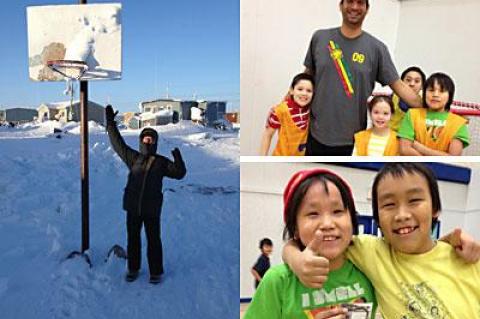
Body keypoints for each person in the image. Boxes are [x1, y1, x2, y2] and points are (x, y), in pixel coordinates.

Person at [283, 163, 480, 318]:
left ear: (435, 208)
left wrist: (455, 238)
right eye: (389, 204)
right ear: (377, 219)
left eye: (414, 201)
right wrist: (296, 259)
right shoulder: (372, 251)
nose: (402, 215)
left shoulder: (469, 260)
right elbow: (323, 240)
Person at [244, 169, 377, 319]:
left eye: (337, 211)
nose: (327, 224)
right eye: (313, 214)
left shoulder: (368, 269)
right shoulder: (278, 281)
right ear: (295, 228)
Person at [303, 0, 422, 156]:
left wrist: (434, 108)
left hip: (353, 141)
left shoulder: (376, 49)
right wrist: (284, 104)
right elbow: (305, 78)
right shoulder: (320, 38)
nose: (354, 7)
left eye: (360, 3)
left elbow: (399, 86)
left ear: (367, 9)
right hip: (314, 134)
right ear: (341, 5)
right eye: (350, 2)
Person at [105, 104, 186, 284]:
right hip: (133, 207)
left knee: (153, 241)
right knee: (133, 240)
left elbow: (179, 174)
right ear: (141, 141)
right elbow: (118, 143)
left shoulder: (161, 163)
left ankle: (155, 272)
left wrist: (178, 158)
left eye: (151, 140)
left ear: (155, 142)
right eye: (145, 139)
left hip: (151, 209)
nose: (148, 142)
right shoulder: (133, 158)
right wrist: (110, 123)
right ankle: (133, 269)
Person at [398, 72, 470, 155]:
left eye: (442, 91)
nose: (435, 95)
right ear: (424, 93)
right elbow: (404, 149)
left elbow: (453, 158)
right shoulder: (411, 114)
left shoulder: (459, 123)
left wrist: (420, 148)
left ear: (450, 96)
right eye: (431, 90)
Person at [260, 73, 314, 156]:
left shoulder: (311, 110)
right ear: (292, 91)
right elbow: (268, 135)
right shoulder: (280, 110)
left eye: (309, 91)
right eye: (300, 89)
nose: (304, 93)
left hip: (300, 163)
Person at [389, 66, 426, 131]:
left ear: (422, 86)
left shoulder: (426, 102)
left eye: (417, 81)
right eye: (408, 80)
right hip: (391, 136)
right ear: (401, 82)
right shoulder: (391, 98)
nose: (412, 84)